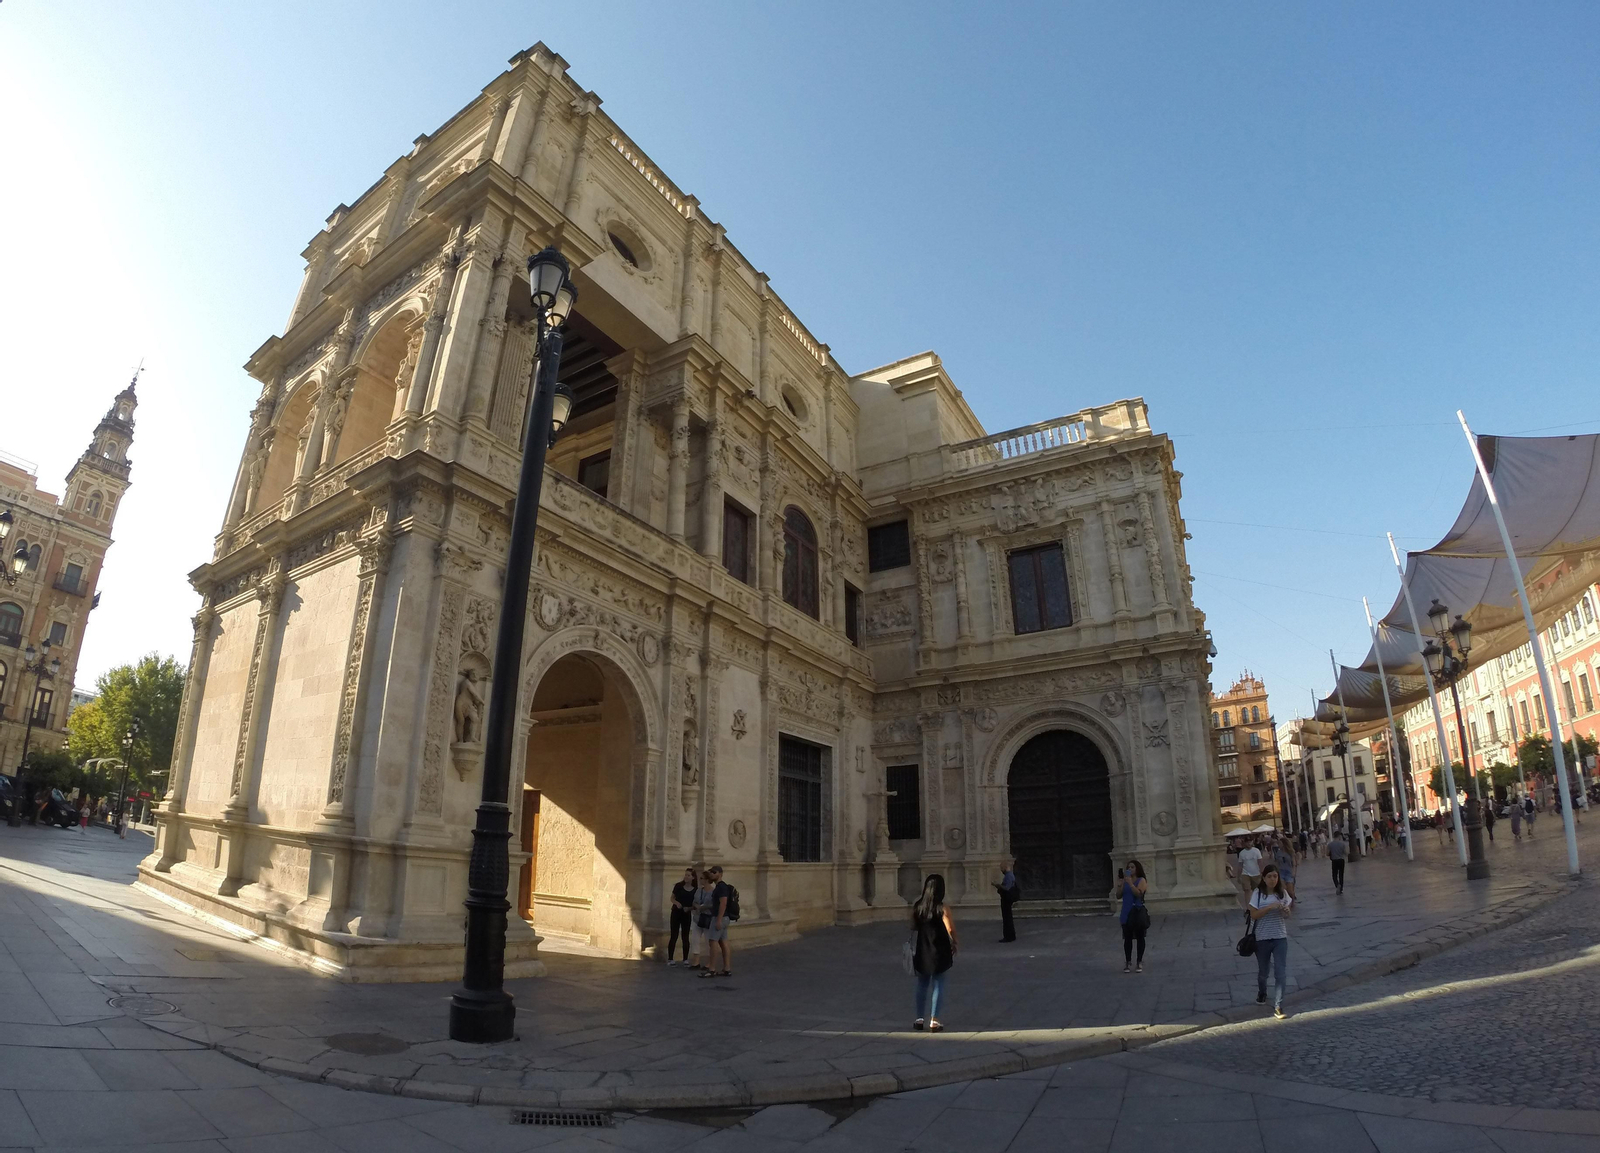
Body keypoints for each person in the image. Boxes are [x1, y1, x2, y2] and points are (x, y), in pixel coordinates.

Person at [910, 873, 957, 1031]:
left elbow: (914, 925)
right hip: (939, 948)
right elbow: (950, 928)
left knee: (922, 984)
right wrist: (955, 941)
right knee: (938, 983)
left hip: (922, 948)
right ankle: (934, 1020)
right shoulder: (942, 908)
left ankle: (919, 1019)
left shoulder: (918, 907)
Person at [1248, 864, 1293, 1019]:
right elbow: (1253, 914)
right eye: (1269, 876)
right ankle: (1262, 992)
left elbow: (1288, 915)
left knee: (1280, 972)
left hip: (1280, 937)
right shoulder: (1258, 894)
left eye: (1275, 876)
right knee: (1263, 972)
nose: (1273, 879)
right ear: (1264, 878)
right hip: (1262, 938)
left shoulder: (1283, 893)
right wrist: (1269, 907)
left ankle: (1278, 1005)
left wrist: (1286, 911)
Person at [1115, 859, 1148, 973]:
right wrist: (1120, 885)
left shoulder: (1141, 880)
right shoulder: (1125, 881)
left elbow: (1139, 894)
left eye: (1132, 867)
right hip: (1126, 911)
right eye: (1128, 867)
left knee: (1140, 937)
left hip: (1137, 911)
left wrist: (1130, 883)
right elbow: (1118, 896)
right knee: (1127, 938)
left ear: (1137, 868)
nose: (1130, 869)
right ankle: (1128, 961)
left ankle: (1139, 961)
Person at [699, 865, 732, 978]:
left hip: (719, 918)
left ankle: (711, 969)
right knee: (723, 943)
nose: (712, 874)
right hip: (723, 918)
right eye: (711, 872)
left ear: (720, 874)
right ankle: (727, 968)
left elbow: (723, 903)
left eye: (714, 872)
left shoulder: (721, 887)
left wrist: (718, 919)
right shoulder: (719, 887)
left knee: (713, 942)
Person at [667, 867, 697, 966]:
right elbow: (672, 898)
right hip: (676, 912)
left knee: (685, 936)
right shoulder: (678, 886)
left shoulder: (695, 890)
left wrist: (689, 908)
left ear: (693, 877)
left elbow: (695, 904)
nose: (686, 877)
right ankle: (670, 958)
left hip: (686, 913)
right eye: (685, 875)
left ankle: (685, 959)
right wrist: (676, 903)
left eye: (688, 875)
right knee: (674, 935)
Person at [688, 869, 715, 971]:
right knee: (695, 939)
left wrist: (704, 907)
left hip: (708, 918)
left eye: (702, 878)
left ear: (707, 880)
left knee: (708, 940)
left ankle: (709, 962)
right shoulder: (699, 890)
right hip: (697, 918)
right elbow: (694, 902)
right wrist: (696, 906)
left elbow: (713, 905)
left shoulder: (713, 892)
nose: (700, 880)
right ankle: (696, 961)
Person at [993, 859, 1019, 943]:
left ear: (1005, 867)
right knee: (1008, 918)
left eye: (1001, 868)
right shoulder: (1010, 875)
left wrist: (998, 885)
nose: (1001, 870)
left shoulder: (1008, 876)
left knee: (1007, 918)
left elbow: (1007, 888)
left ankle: (1008, 936)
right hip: (1007, 898)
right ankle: (1011, 935)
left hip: (1006, 899)